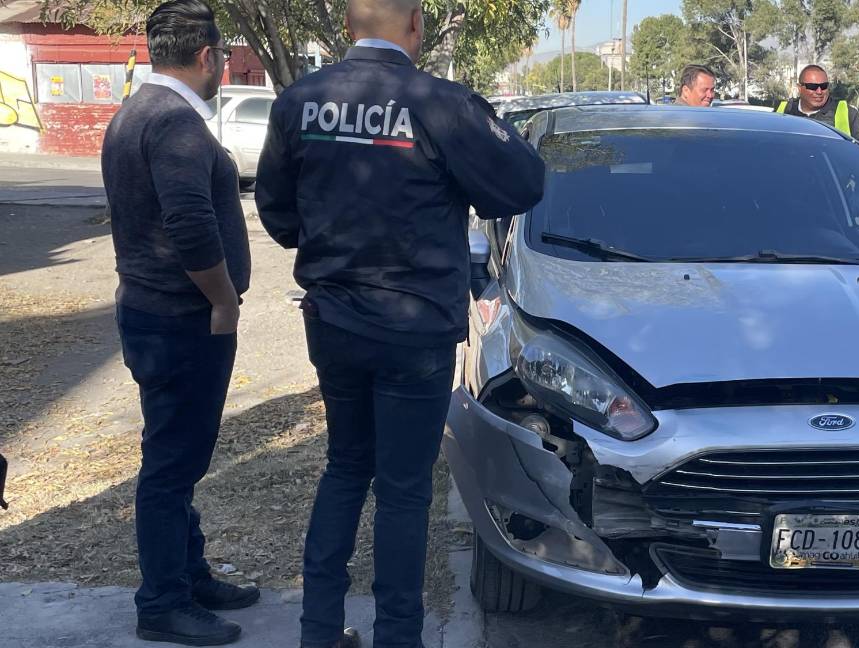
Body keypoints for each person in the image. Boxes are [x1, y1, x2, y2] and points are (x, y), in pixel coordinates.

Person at [254, 0, 545, 646]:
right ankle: (397, 637)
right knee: (405, 490)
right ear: (415, 25)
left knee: (345, 468)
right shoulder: (438, 103)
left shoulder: (301, 100)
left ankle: (319, 630)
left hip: (334, 322)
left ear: (348, 28)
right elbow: (524, 183)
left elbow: (275, 214)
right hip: (414, 329)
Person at [101, 0, 256, 645]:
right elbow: (189, 225)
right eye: (220, 57)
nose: (221, 66)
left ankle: (188, 574)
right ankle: (162, 601)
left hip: (150, 311)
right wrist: (222, 301)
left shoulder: (135, 112)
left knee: (177, 455)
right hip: (181, 321)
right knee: (170, 465)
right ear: (206, 57)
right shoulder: (176, 125)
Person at [776, 65, 859, 143]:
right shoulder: (782, 111)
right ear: (800, 88)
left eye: (824, 86)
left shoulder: (848, 113)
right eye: (813, 86)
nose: (819, 91)